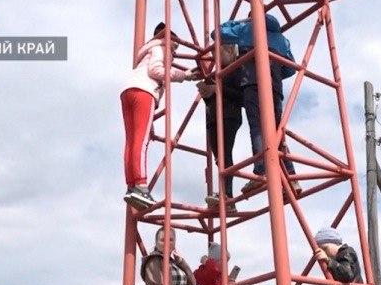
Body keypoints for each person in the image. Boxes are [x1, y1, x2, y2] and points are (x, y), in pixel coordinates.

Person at [217, 14, 302, 196]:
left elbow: (218, 32)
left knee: (257, 128)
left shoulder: (248, 29)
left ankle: (261, 171)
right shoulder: (281, 39)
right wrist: (275, 76)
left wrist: (241, 22)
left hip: (253, 85)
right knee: (277, 133)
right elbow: (290, 67)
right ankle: (292, 178)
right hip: (275, 88)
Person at [122, 22, 199, 209]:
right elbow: (156, 70)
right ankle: (140, 185)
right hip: (145, 92)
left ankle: (132, 185)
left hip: (128, 91)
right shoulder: (161, 48)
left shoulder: (148, 50)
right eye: (175, 46)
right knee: (141, 141)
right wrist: (184, 75)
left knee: (132, 141)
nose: (175, 50)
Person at [198, 44, 243, 214]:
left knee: (225, 155)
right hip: (214, 117)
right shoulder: (217, 73)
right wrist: (207, 94)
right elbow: (213, 98)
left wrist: (217, 89)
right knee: (220, 158)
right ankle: (225, 195)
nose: (215, 57)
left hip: (229, 116)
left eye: (218, 53)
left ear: (230, 51)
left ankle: (228, 195)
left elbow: (242, 97)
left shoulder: (237, 68)